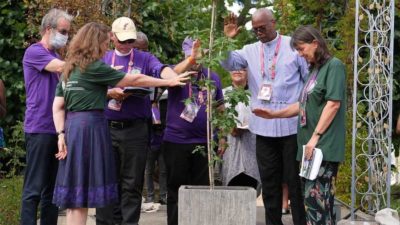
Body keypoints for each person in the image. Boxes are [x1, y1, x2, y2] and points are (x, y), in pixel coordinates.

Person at [51, 22, 190, 225]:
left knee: (75, 196)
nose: (107, 47)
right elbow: (135, 80)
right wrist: (168, 82)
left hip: (72, 128)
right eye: (105, 43)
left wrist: (60, 134)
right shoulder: (95, 66)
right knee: (83, 198)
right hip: (92, 128)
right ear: (96, 43)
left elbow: (58, 105)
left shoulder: (69, 67)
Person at [96, 17, 189, 225]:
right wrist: (110, 93)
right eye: (122, 40)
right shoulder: (102, 58)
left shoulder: (144, 58)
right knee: (106, 181)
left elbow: (161, 68)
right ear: (111, 37)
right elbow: (90, 88)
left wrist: (171, 77)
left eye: (130, 41)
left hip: (135, 130)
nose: (127, 45)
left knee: (132, 183)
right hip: (106, 128)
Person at [221, 8, 308, 225]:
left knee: (294, 182)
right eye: (255, 29)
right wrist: (228, 40)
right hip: (263, 129)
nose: (258, 32)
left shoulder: (292, 45)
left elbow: (308, 82)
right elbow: (228, 63)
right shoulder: (249, 50)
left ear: (274, 23)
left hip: (291, 127)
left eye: (262, 28)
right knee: (269, 184)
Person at [253, 25, 346, 225]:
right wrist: (273, 115)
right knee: (312, 204)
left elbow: (333, 104)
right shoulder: (315, 70)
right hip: (308, 148)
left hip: (323, 147)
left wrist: (315, 137)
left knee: (318, 203)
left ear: (315, 43)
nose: (300, 54)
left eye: (302, 48)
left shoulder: (334, 66)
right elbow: (302, 104)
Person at [162, 37, 224, 225]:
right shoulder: (176, 73)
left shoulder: (212, 77)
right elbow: (168, 76)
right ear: (185, 54)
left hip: (204, 142)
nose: (196, 59)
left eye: (199, 55)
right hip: (176, 142)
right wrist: (188, 62)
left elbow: (220, 108)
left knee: (201, 191)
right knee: (176, 189)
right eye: (191, 55)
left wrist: (221, 137)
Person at [21, 8, 72, 225]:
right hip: (39, 128)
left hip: (58, 130)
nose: (66, 36)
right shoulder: (35, 52)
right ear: (49, 29)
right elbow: (61, 68)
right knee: (33, 189)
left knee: (52, 192)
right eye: (63, 31)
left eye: (68, 32)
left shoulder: (56, 54)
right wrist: (88, 61)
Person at [220, 69, 261, 190]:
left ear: (248, 72)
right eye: (233, 68)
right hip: (230, 146)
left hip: (252, 146)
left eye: (242, 69)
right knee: (231, 185)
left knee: (251, 185)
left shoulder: (256, 93)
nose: (237, 71)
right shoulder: (222, 94)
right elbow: (217, 121)